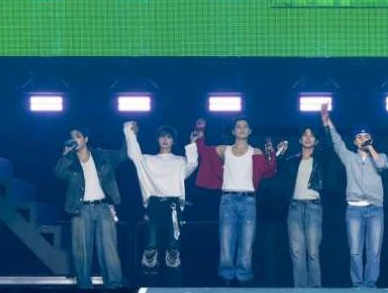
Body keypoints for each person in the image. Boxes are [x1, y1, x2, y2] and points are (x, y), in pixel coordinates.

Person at [193, 116, 285, 286]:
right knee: (226, 241)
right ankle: (226, 277)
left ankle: (243, 277)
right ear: (233, 131)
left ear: (250, 131)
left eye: (245, 126)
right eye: (238, 126)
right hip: (227, 200)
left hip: (249, 201)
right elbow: (203, 152)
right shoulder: (224, 150)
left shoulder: (256, 152)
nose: (242, 129)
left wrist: (275, 153)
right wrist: (200, 132)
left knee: (247, 242)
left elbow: (269, 170)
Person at [321, 102, 388, 288]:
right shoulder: (349, 157)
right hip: (354, 210)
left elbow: (381, 165)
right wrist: (327, 121)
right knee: (355, 251)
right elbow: (337, 142)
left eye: (366, 137)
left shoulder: (381, 156)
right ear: (355, 142)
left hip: (375, 209)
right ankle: (358, 285)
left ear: (371, 140)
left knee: (374, 250)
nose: (363, 139)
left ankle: (370, 284)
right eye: (359, 137)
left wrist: (371, 148)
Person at [123, 121, 199, 285]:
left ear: (173, 141)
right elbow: (133, 154)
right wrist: (130, 131)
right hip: (154, 205)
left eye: (169, 137)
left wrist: (192, 143)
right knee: (151, 248)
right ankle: (150, 284)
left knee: (173, 249)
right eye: (162, 137)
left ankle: (173, 285)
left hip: (173, 206)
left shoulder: (180, 161)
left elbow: (193, 164)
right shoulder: (148, 160)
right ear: (157, 139)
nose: (165, 140)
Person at [54, 128, 126, 289]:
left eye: (78, 136)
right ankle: (84, 285)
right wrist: (65, 155)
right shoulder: (70, 161)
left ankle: (114, 284)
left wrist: (129, 134)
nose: (74, 140)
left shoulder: (102, 155)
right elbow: (58, 173)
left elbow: (122, 155)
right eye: (71, 137)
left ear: (86, 139)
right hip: (80, 209)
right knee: (81, 251)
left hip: (103, 207)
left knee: (109, 248)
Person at [280, 125, 330, 287]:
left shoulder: (321, 159)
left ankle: (315, 288)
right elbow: (276, 172)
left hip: (314, 207)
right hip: (295, 207)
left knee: (313, 252)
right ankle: (300, 288)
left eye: (311, 135)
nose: (308, 138)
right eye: (305, 135)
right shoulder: (291, 161)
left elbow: (330, 145)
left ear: (316, 141)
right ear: (300, 140)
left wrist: (326, 125)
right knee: (296, 252)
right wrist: (278, 153)